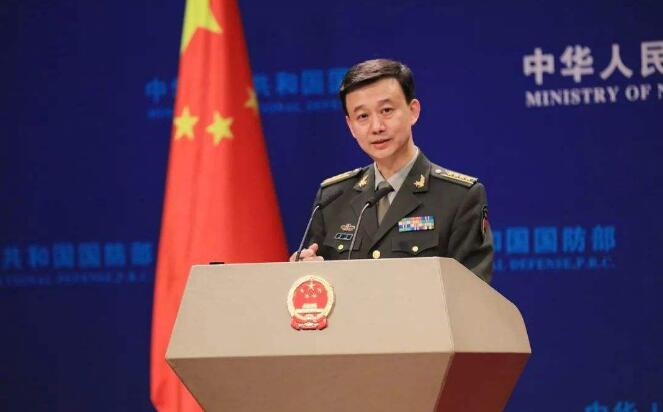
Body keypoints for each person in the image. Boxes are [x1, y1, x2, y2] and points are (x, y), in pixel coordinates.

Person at [291, 58, 493, 283]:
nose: (377, 127)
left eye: (386, 110)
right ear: (351, 126)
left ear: (413, 111)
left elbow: (471, 292)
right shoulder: (332, 198)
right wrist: (305, 273)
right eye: (363, 116)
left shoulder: (458, 197)